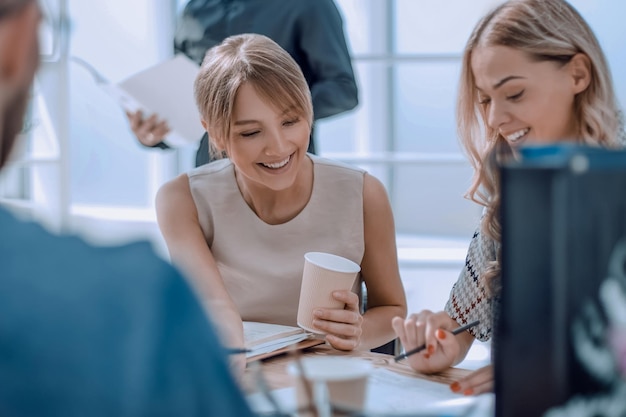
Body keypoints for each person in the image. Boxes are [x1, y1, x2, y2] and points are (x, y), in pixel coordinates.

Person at [0, 1, 256, 415]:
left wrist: (264, 107)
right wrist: (152, 132)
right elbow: (185, 108)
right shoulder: (137, 309)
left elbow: (340, 88)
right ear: (19, 41)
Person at [391, 0, 626, 396]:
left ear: (579, 74)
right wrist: (440, 346)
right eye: (485, 99)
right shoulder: (515, 193)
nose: (494, 119)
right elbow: (461, 321)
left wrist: (555, 368)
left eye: (513, 94)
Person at [155, 33, 407, 375]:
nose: (277, 148)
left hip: (331, 380)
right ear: (213, 133)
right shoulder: (182, 199)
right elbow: (214, 306)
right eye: (250, 133)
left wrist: (358, 330)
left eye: (290, 121)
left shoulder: (362, 193)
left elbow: (392, 309)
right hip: (242, 371)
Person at [127, 0, 358, 166]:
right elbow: (187, 95)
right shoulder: (194, 9)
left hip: (281, 170)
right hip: (209, 175)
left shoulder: (309, 5)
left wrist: (270, 112)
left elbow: (343, 89)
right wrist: (155, 134)